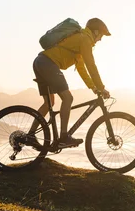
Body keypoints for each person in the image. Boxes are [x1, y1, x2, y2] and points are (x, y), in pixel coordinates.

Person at [31, 18, 111, 147]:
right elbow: (91, 65)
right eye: (101, 35)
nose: (100, 39)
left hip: (40, 62)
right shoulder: (84, 39)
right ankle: (63, 136)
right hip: (48, 64)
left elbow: (81, 68)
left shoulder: (79, 39)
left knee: (49, 103)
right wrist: (101, 87)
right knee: (68, 98)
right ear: (96, 32)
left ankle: (30, 135)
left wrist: (94, 87)